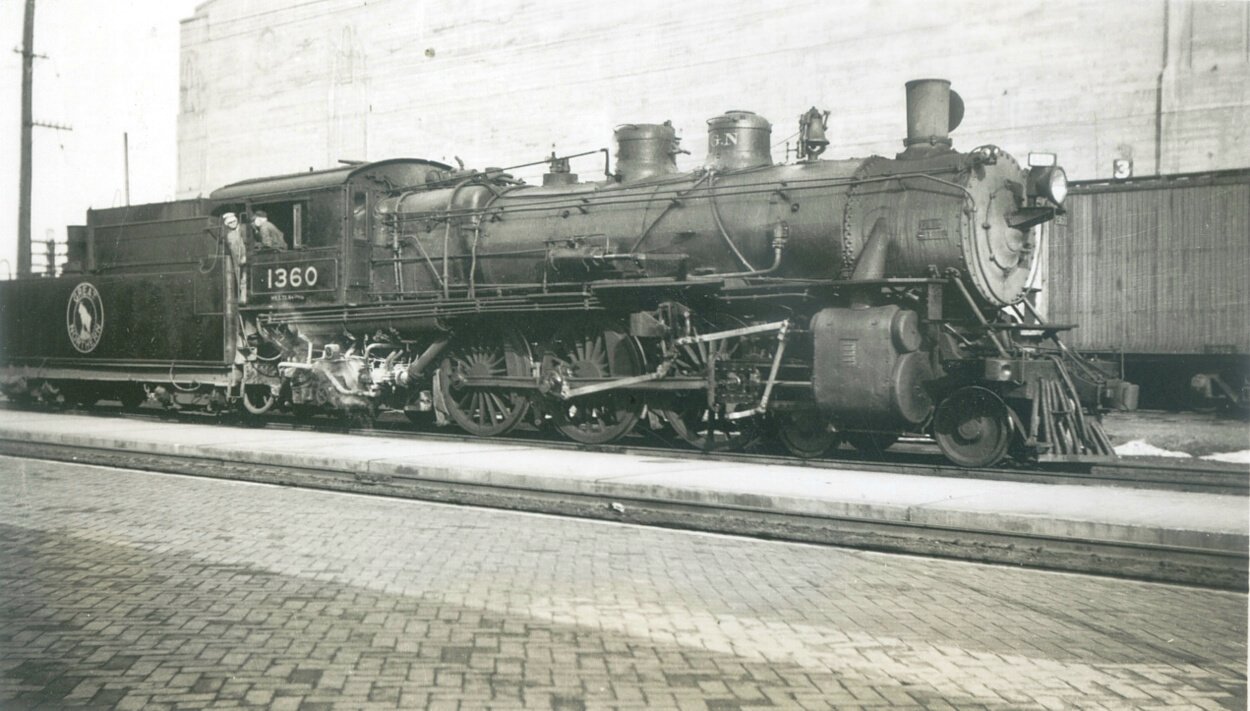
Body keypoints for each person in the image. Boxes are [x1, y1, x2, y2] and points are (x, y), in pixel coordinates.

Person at [222, 212, 248, 302]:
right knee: (241, 277)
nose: (232, 223)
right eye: (230, 222)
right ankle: (243, 296)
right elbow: (233, 249)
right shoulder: (230, 235)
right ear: (227, 224)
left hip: (248, 256)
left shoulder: (244, 228)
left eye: (233, 221)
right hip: (238, 259)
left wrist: (246, 256)